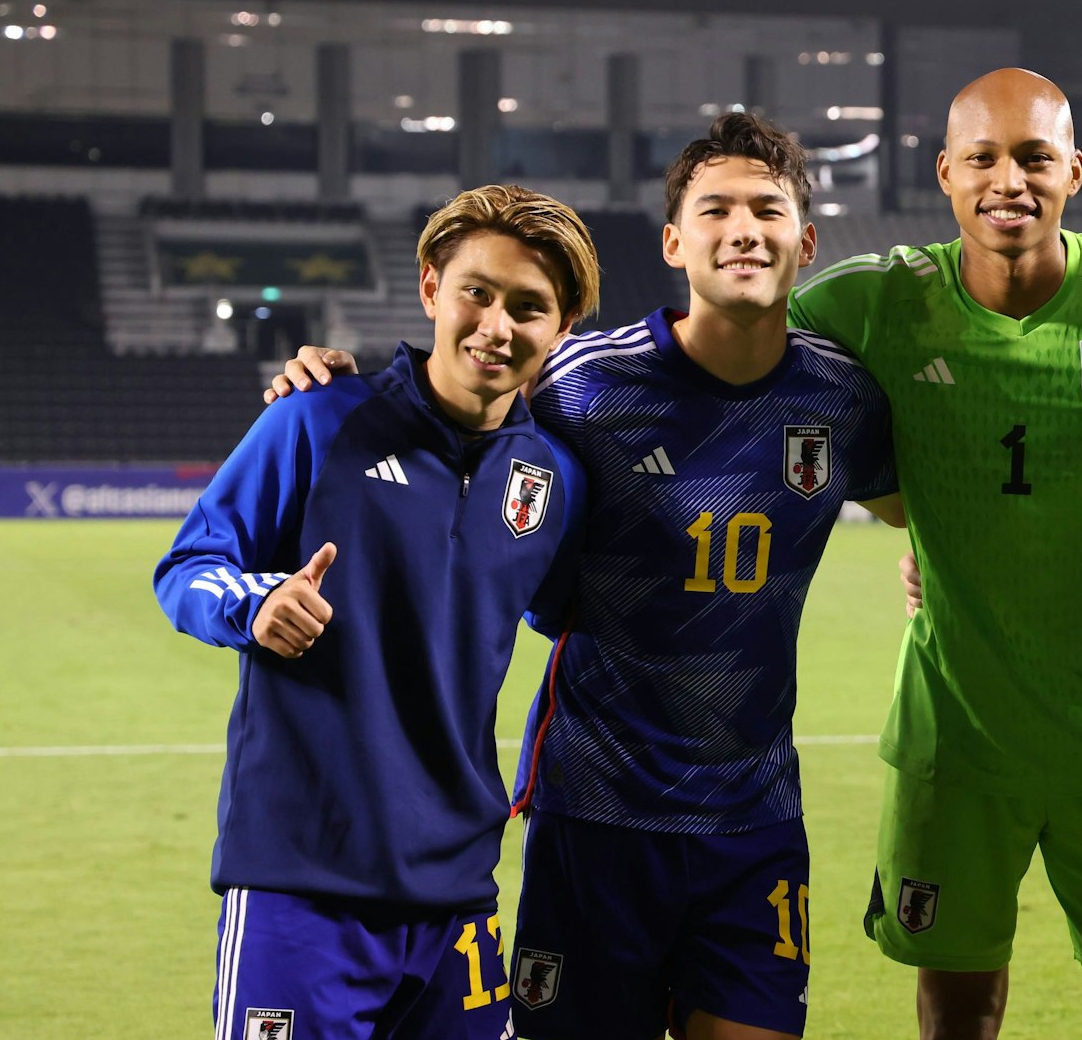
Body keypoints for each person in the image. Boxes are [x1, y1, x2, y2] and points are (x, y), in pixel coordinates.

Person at [269, 113, 902, 1040]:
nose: (743, 228)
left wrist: (932, 557)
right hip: (598, 809)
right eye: (714, 207)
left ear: (806, 240)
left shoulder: (842, 396)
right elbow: (454, 412)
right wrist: (332, 386)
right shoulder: (580, 384)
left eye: (767, 208)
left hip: (753, 816)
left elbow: (919, 508)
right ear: (674, 240)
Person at [787, 68, 1082, 1038]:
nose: (1007, 180)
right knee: (955, 1015)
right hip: (954, 741)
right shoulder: (877, 302)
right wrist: (895, 507)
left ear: (1073, 171)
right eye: (982, 158)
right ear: (944, 173)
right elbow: (739, 331)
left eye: (1033, 157)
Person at [154, 184, 597, 1040]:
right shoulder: (317, 423)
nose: (496, 326)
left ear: (562, 326)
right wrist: (255, 603)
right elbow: (187, 567)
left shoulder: (553, 481)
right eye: (477, 291)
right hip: (302, 885)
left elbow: (575, 615)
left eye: (529, 306)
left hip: (458, 895)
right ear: (431, 287)